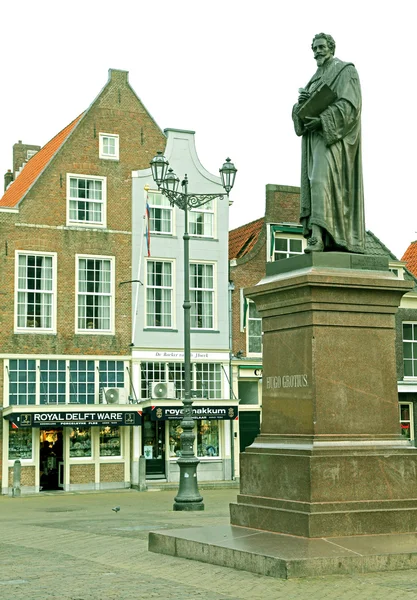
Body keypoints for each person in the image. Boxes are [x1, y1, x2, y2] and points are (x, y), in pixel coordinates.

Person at [292, 33, 365, 253]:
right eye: (314, 48)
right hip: (313, 140)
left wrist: (323, 121)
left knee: (319, 182)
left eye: (322, 47)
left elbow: (351, 105)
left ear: (331, 48)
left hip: (333, 140)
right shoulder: (313, 79)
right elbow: (301, 112)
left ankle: (317, 237)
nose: (318, 51)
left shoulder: (346, 71)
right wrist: (300, 107)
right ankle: (323, 235)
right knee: (314, 182)